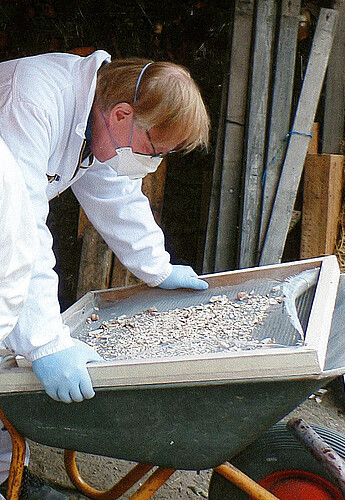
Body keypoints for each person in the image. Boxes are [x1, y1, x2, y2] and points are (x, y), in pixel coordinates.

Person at [0, 51, 210, 498]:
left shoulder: (100, 123)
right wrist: (46, 343)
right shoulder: (35, 97)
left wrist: (157, 265)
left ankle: (6, 476)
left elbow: (116, 194)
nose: (151, 162)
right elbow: (20, 230)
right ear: (122, 114)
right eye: (154, 150)